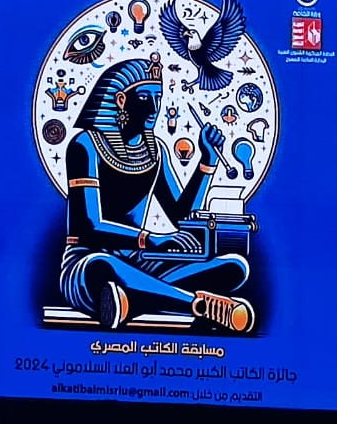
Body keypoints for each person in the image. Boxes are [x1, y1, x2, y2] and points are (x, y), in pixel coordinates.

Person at [58, 54, 255, 333]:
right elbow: (89, 227)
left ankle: (130, 301)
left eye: (158, 97)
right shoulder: (85, 145)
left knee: (235, 266)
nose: (154, 107)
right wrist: (150, 239)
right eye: (144, 98)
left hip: (141, 260)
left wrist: (207, 161)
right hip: (88, 258)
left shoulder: (156, 150)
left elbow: (182, 217)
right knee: (101, 266)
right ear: (121, 100)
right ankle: (197, 304)